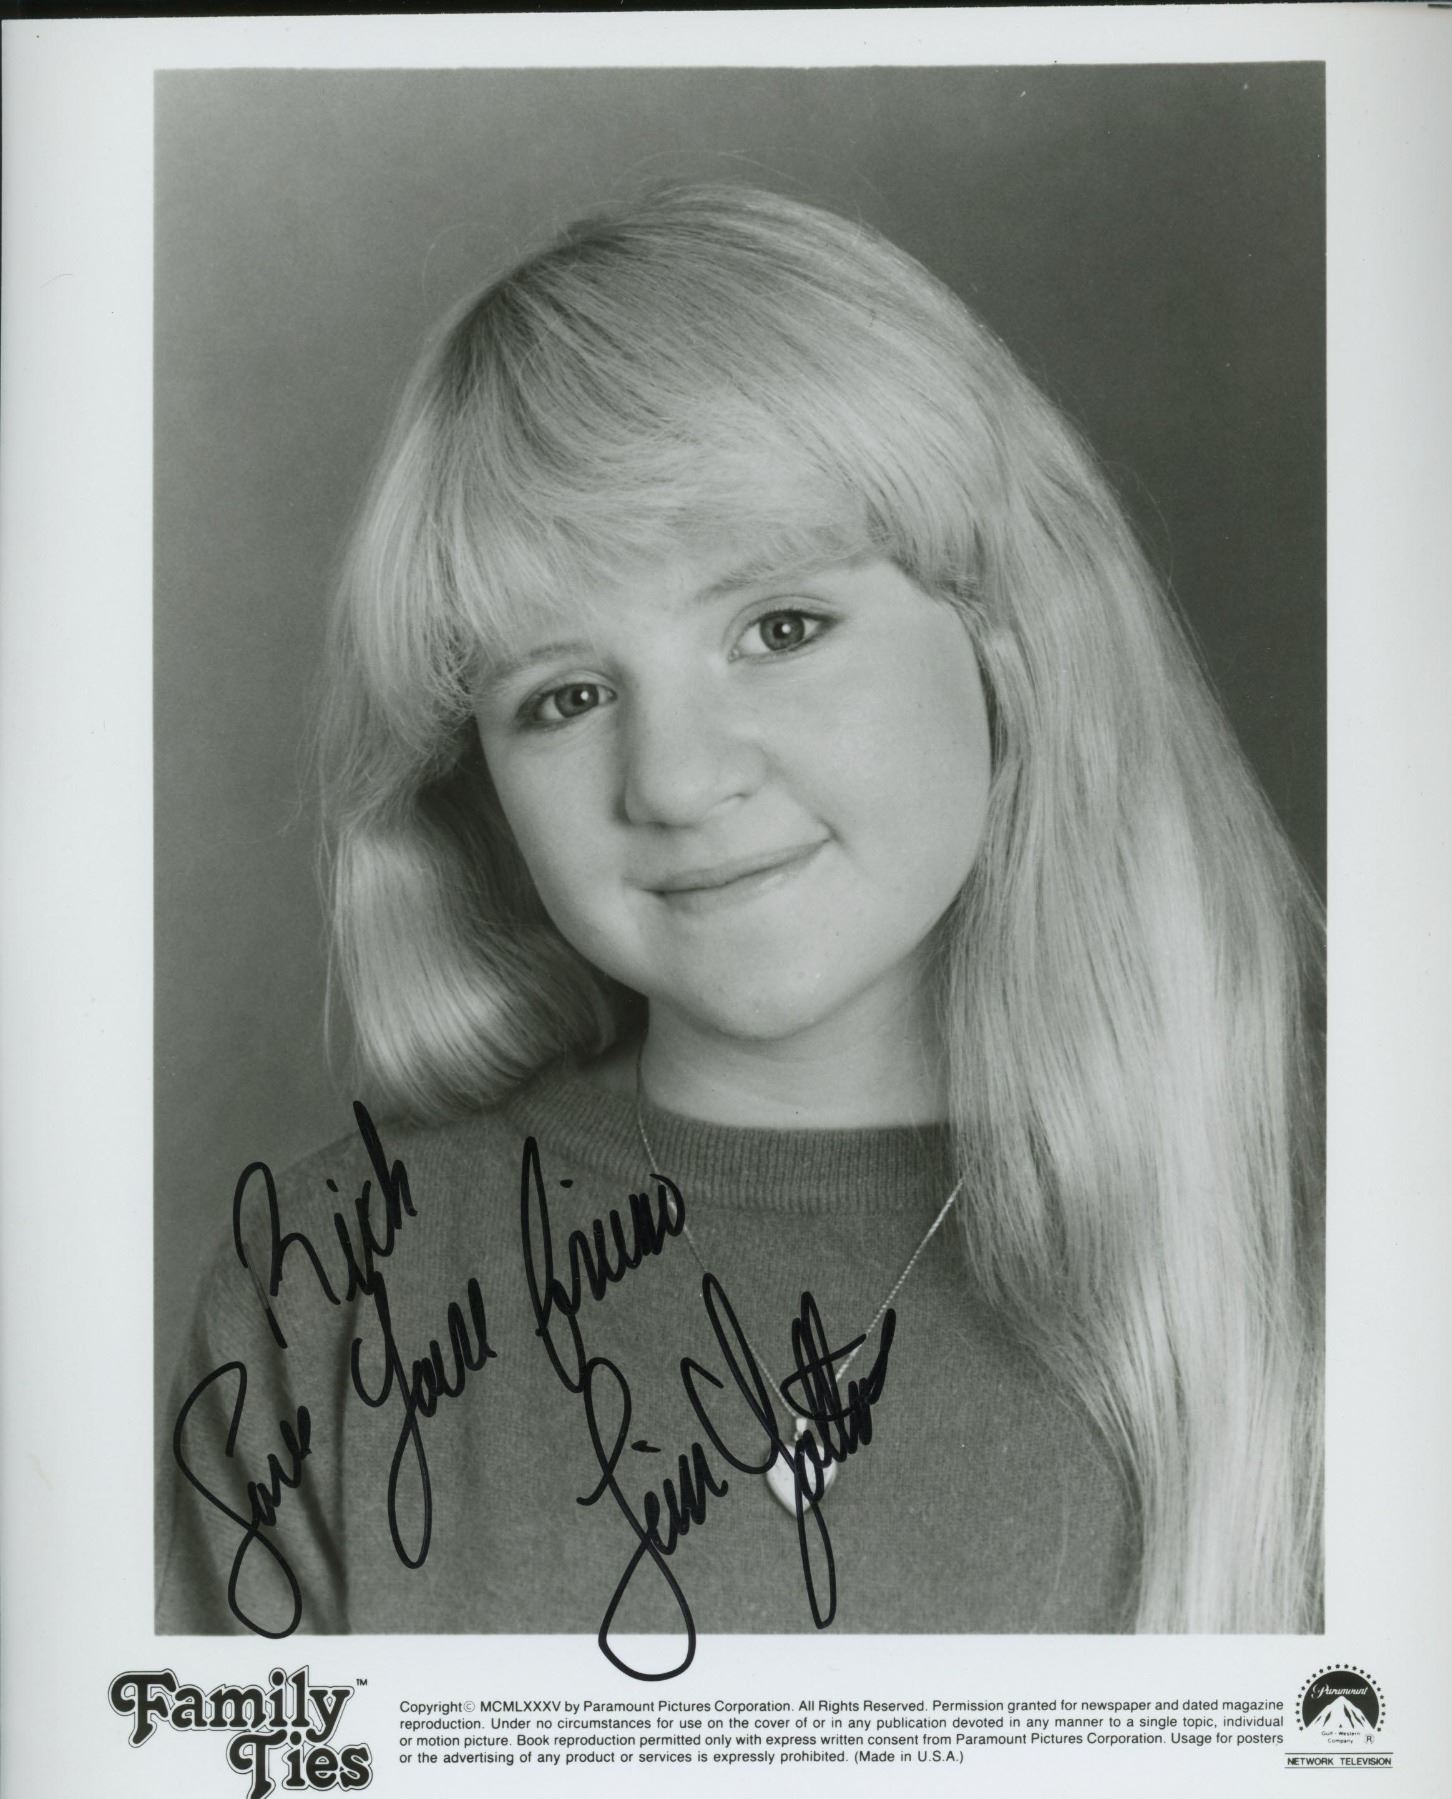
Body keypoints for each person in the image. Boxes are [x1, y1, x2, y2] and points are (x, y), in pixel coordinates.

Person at [157, 185, 1323, 1662]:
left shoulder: (1331, 1224)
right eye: (565, 697)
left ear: (1012, 640)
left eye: (779, 629)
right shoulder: (338, 1290)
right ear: (479, 786)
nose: (675, 780)